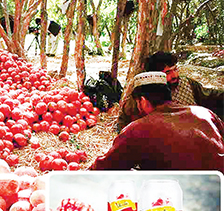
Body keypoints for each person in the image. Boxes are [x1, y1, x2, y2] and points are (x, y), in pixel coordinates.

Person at [92, 71, 224, 172]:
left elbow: (105, 168)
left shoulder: (138, 129)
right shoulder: (205, 113)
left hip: (182, 197)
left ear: (142, 100)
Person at [117, 51, 224, 131]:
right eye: (168, 72)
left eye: (175, 69)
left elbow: (210, 96)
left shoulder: (188, 84)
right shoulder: (141, 97)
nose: (174, 75)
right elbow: (125, 126)